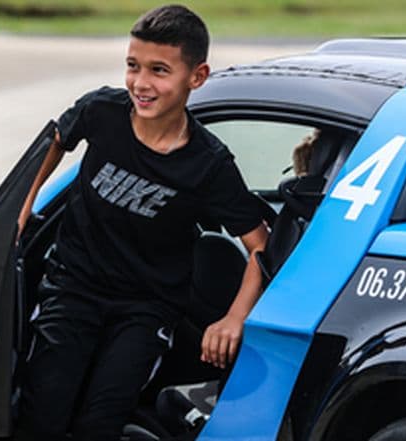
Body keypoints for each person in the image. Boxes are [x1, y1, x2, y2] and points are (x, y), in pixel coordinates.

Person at [15, 5, 269, 441]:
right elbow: (55, 139)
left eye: (159, 70)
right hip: (71, 290)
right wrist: (21, 208)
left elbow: (260, 244)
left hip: (145, 311)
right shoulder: (102, 112)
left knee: (99, 422)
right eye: (133, 66)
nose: (140, 83)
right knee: (43, 415)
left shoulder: (207, 164)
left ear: (197, 76)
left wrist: (233, 319)